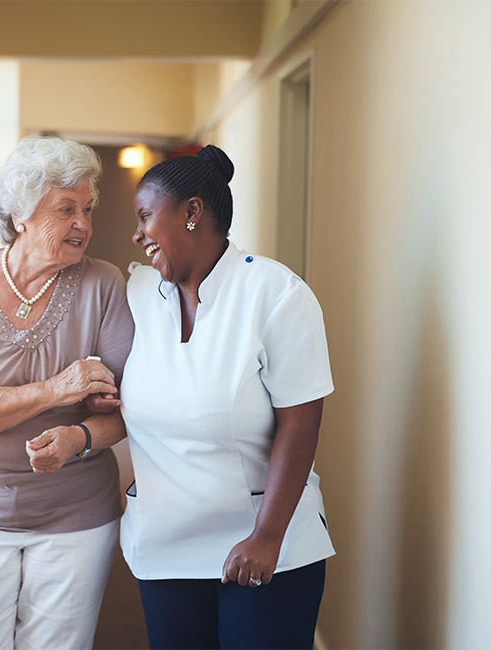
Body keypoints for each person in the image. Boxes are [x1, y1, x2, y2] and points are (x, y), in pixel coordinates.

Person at [0, 136, 134, 650]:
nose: (83, 222)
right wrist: (59, 389)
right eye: (65, 209)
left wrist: (79, 436)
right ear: (19, 216)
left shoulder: (104, 285)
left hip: (76, 513)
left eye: (87, 208)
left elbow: (128, 410)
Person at [120, 145, 334, 649]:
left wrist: (267, 536)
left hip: (261, 548)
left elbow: (300, 422)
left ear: (193, 212)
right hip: (165, 548)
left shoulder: (276, 294)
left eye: (146, 216)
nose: (137, 233)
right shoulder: (138, 297)